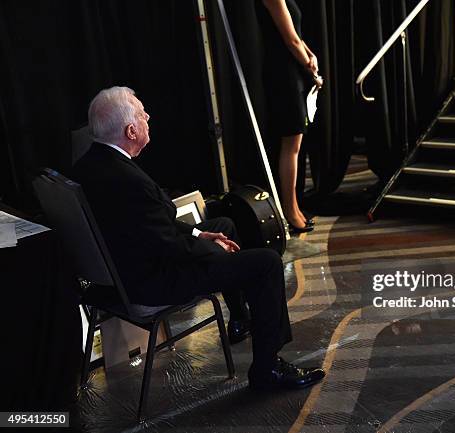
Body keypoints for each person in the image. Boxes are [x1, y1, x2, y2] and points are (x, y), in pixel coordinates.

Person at [72, 86, 325, 390]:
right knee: (267, 263)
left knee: (225, 225)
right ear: (130, 130)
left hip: (125, 271)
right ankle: (267, 369)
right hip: (152, 282)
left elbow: (149, 226)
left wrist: (200, 233)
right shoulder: (129, 183)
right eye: (142, 113)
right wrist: (210, 247)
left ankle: (241, 318)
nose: (148, 116)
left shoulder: (88, 165)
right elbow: (167, 245)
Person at [255, 0, 323, 233]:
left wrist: (310, 55)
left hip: (291, 71)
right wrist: (311, 68)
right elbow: (290, 40)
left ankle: (294, 207)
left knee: (295, 142)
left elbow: (297, 36)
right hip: (283, 74)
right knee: (291, 144)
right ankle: (290, 210)